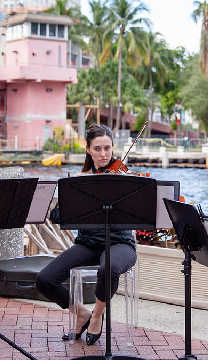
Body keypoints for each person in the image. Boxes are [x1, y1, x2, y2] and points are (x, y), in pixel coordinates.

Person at [35, 124, 138, 345]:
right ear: (88, 150)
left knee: (108, 268)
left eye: (107, 149)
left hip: (121, 244)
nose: (103, 154)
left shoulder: (125, 177)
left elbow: (143, 209)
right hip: (88, 244)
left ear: (113, 148)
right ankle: (82, 313)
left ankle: (97, 316)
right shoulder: (80, 180)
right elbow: (57, 216)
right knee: (44, 279)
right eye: (98, 149)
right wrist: (70, 200)